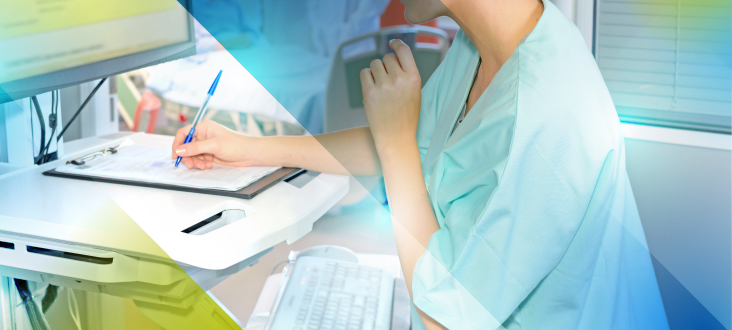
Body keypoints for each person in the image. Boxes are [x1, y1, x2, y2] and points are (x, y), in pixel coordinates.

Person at [172, 0, 669, 328]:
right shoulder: (488, 45)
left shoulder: (547, 114)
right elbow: (416, 141)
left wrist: (395, 143)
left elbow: (445, 319)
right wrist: (251, 148)